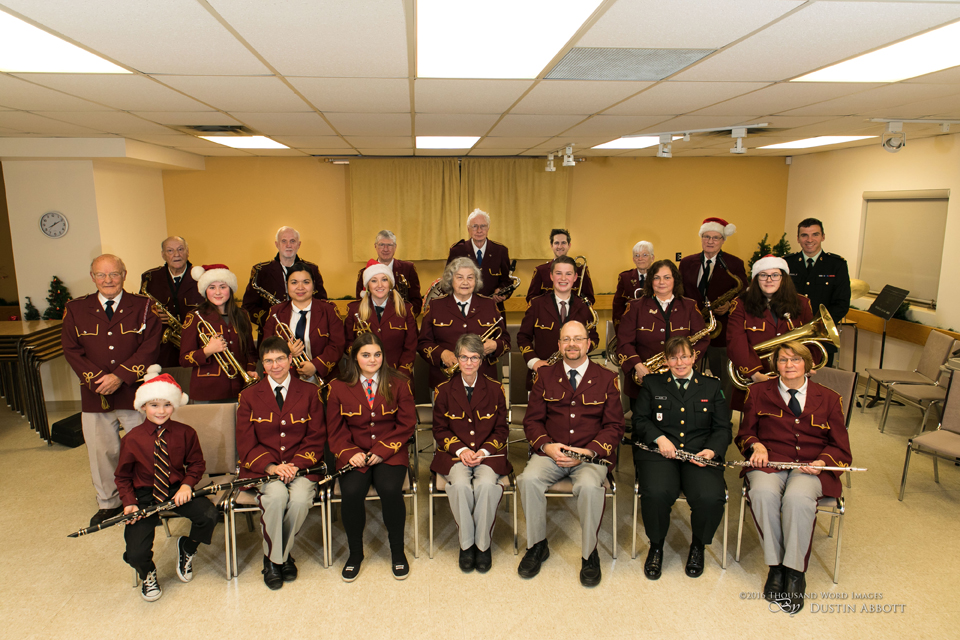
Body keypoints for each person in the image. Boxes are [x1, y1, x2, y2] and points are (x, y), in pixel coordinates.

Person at [735, 341, 851, 613]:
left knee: (797, 500)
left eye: (795, 360)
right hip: (770, 462)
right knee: (762, 493)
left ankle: (795, 572)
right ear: (775, 365)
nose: (789, 365)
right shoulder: (756, 392)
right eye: (783, 360)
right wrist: (756, 445)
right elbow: (744, 433)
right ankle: (776, 567)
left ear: (807, 366)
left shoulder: (831, 398)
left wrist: (823, 461)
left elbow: (842, 448)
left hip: (810, 466)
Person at [517, 321, 624, 587]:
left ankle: (590, 553)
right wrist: (546, 446)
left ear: (589, 343)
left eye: (578, 339)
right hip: (551, 453)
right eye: (566, 339)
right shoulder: (544, 375)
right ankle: (537, 545)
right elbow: (532, 421)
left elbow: (614, 426)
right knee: (528, 479)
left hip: (589, 455)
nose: (572, 344)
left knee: (589, 486)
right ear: (559, 345)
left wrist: (588, 452)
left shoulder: (607, 378)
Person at [61, 254, 162, 526]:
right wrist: (97, 380)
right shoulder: (75, 309)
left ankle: (146, 496)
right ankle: (109, 502)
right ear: (93, 277)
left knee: (143, 447)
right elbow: (72, 350)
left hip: (134, 391)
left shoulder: (143, 306)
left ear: (124, 275)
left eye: (114, 274)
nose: (108, 280)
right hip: (95, 393)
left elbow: (150, 346)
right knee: (101, 451)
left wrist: (120, 376)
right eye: (101, 275)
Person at [632, 337, 731, 580]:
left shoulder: (710, 385)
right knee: (656, 492)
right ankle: (656, 546)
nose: (680, 362)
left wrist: (711, 450)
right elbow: (640, 420)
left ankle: (698, 545)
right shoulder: (653, 384)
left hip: (699, 453)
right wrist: (659, 438)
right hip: (659, 453)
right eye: (673, 357)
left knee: (709, 497)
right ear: (665, 360)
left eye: (685, 356)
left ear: (694, 357)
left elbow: (723, 428)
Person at [116, 366, 217, 601]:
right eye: (154, 405)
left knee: (210, 514)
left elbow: (196, 464)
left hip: (175, 489)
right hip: (143, 495)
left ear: (174, 405)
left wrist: (187, 485)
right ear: (143, 407)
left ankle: (187, 549)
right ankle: (148, 573)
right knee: (135, 552)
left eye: (167, 405)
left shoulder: (186, 433)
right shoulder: (131, 439)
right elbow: (122, 477)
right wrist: (129, 503)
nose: (161, 411)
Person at [236, 337, 326, 590]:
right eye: (268, 361)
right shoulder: (249, 395)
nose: (275, 365)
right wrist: (272, 467)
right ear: (262, 365)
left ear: (290, 360)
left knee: (299, 500)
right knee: (275, 497)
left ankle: (273, 558)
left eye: (280, 359)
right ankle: (282, 560)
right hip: (264, 469)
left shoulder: (310, 392)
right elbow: (245, 442)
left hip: (302, 467)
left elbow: (316, 435)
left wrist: (296, 464)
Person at [326, 333, 417, 581]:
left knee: (390, 489)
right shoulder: (337, 387)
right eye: (366, 354)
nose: (372, 359)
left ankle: (397, 551)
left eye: (377, 354)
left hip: (390, 452)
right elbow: (334, 430)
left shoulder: (399, 383)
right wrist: (350, 453)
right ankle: (356, 553)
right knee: (352, 492)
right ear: (355, 357)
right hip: (353, 454)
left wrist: (383, 450)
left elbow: (407, 424)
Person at [431, 334, 511, 573]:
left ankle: (483, 545)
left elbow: (501, 429)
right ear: (456, 359)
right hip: (455, 455)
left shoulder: (496, 389)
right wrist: (462, 449)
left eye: (474, 357)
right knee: (460, 486)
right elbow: (439, 429)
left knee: (487, 486)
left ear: (481, 359)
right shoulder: (444, 390)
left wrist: (484, 451)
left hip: (488, 455)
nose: (468, 362)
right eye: (464, 357)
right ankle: (467, 545)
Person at [727, 255, 815, 412]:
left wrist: (810, 363)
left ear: (784, 278)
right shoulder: (740, 304)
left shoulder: (802, 303)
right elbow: (736, 341)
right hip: (759, 374)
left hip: (794, 375)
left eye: (775, 275)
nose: (769, 280)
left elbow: (813, 340)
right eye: (763, 275)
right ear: (756, 279)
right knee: (754, 422)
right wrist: (755, 374)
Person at [616, 259, 709, 400]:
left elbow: (702, 340)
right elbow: (624, 342)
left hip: (681, 377)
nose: (661, 282)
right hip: (644, 378)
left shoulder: (690, 306)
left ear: (675, 280)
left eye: (667, 277)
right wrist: (639, 367)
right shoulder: (635, 307)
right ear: (650, 281)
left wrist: (685, 361)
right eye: (656, 278)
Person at [679, 217, 747, 400]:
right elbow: (679, 293)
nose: (710, 241)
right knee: (688, 373)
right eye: (706, 237)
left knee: (723, 377)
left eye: (716, 238)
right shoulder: (686, 263)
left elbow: (743, 294)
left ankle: (722, 418)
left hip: (721, 329)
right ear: (701, 238)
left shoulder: (734, 264)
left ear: (723, 240)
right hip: (692, 328)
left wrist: (730, 305)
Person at [418, 257, 511, 389]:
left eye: (470, 277)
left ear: (476, 281)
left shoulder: (489, 305)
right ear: (451, 280)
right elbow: (423, 343)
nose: (465, 282)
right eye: (459, 277)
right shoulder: (435, 306)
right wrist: (442, 354)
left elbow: (506, 341)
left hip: (484, 381)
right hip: (445, 382)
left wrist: (495, 345)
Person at [518, 256, 599, 391]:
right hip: (543, 375)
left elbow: (594, 339)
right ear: (551, 276)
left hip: (577, 375)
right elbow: (522, 338)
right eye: (558, 273)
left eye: (568, 274)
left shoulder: (585, 306)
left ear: (575, 277)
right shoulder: (536, 305)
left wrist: (578, 353)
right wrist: (534, 362)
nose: (563, 278)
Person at [180, 264, 258, 402]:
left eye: (223, 287)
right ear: (205, 291)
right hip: (207, 391)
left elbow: (250, 351)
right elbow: (184, 359)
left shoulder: (242, 315)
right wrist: (207, 351)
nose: (218, 292)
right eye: (212, 287)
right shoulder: (195, 317)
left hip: (240, 387)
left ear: (231, 289)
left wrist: (250, 369)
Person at [261, 262, 345, 386]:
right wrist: (287, 352)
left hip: (324, 378)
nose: (300, 287)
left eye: (306, 282)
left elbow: (337, 345)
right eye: (294, 282)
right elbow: (266, 347)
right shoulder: (276, 312)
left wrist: (315, 366)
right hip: (285, 379)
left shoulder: (329, 310)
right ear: (287, 285)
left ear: (313, 285)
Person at [242, 226, 328, 340]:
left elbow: (322, 302)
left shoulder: (312, 269)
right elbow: (248, 307)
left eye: (292, 241)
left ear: (299, 244)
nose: (288, 245)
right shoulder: (261, 271)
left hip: (307, 333)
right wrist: (272, 320)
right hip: (272, 335)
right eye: (284, 241)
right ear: (277, 244)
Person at [785, 218, 850, 367]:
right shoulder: (787, 263)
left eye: (815, 234)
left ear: (823, 236)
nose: (809, 240)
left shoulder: (836, 265)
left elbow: (841, 303)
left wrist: (817, 325)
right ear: (798, 238)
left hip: (822, 337)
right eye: (804, 235)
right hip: (790, 334)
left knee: (819, 384)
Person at [345, 259, 418, 377]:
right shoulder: (354, 310)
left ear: (390, 283)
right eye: (374, 281)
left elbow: (411, 346)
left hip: (397, 375)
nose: (379, 285)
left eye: (384, 280)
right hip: (364, 375)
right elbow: (348, 343)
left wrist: (400, 374)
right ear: (368, 285)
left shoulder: (406, 309)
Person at [139, 236, 205, 368]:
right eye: (170, 251)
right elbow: (141, 312)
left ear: (187, 252)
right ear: (163, 255)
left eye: (180, 249)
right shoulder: (151, 278)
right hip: (164, 350)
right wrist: (153, 315)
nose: (176, 254)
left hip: (197, 346)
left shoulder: (203, 277)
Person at [446, 208, 514, 311]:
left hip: (493, 309)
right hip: (464, 311)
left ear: (488, 228)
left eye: (483, 226)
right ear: (468, 229)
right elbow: (448, 281)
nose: (479, 230)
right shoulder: (457, 251)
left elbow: (507, 280)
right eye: (474, 226)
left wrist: (502, 291)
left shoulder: (500, 251)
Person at [353, 230, 424, 316]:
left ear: (395, 247)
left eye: (390, 245)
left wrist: (406, 319)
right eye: (381, 244)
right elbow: (360, 304)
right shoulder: (364, 272)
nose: (385, 249)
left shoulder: (408, 269)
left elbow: (416, 302)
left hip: (403, 322)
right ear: (375, 246)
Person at [525, 228, 595, 305]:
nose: (560, 246)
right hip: (547, 315)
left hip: (574, 316)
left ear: (569, 245)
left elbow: (590, 298)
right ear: (551, 246)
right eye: (556, 243)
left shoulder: (581, 270)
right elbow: (531, 298)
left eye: (563, 243)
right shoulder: (541, 270)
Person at [612, 241, 655, 328]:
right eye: (637, 255)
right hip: (631, 327)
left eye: (645, 255)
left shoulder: (660, 278)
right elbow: (618, 308)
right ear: (633, 259)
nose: (640, 259)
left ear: (652, 258)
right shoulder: (625, 278)